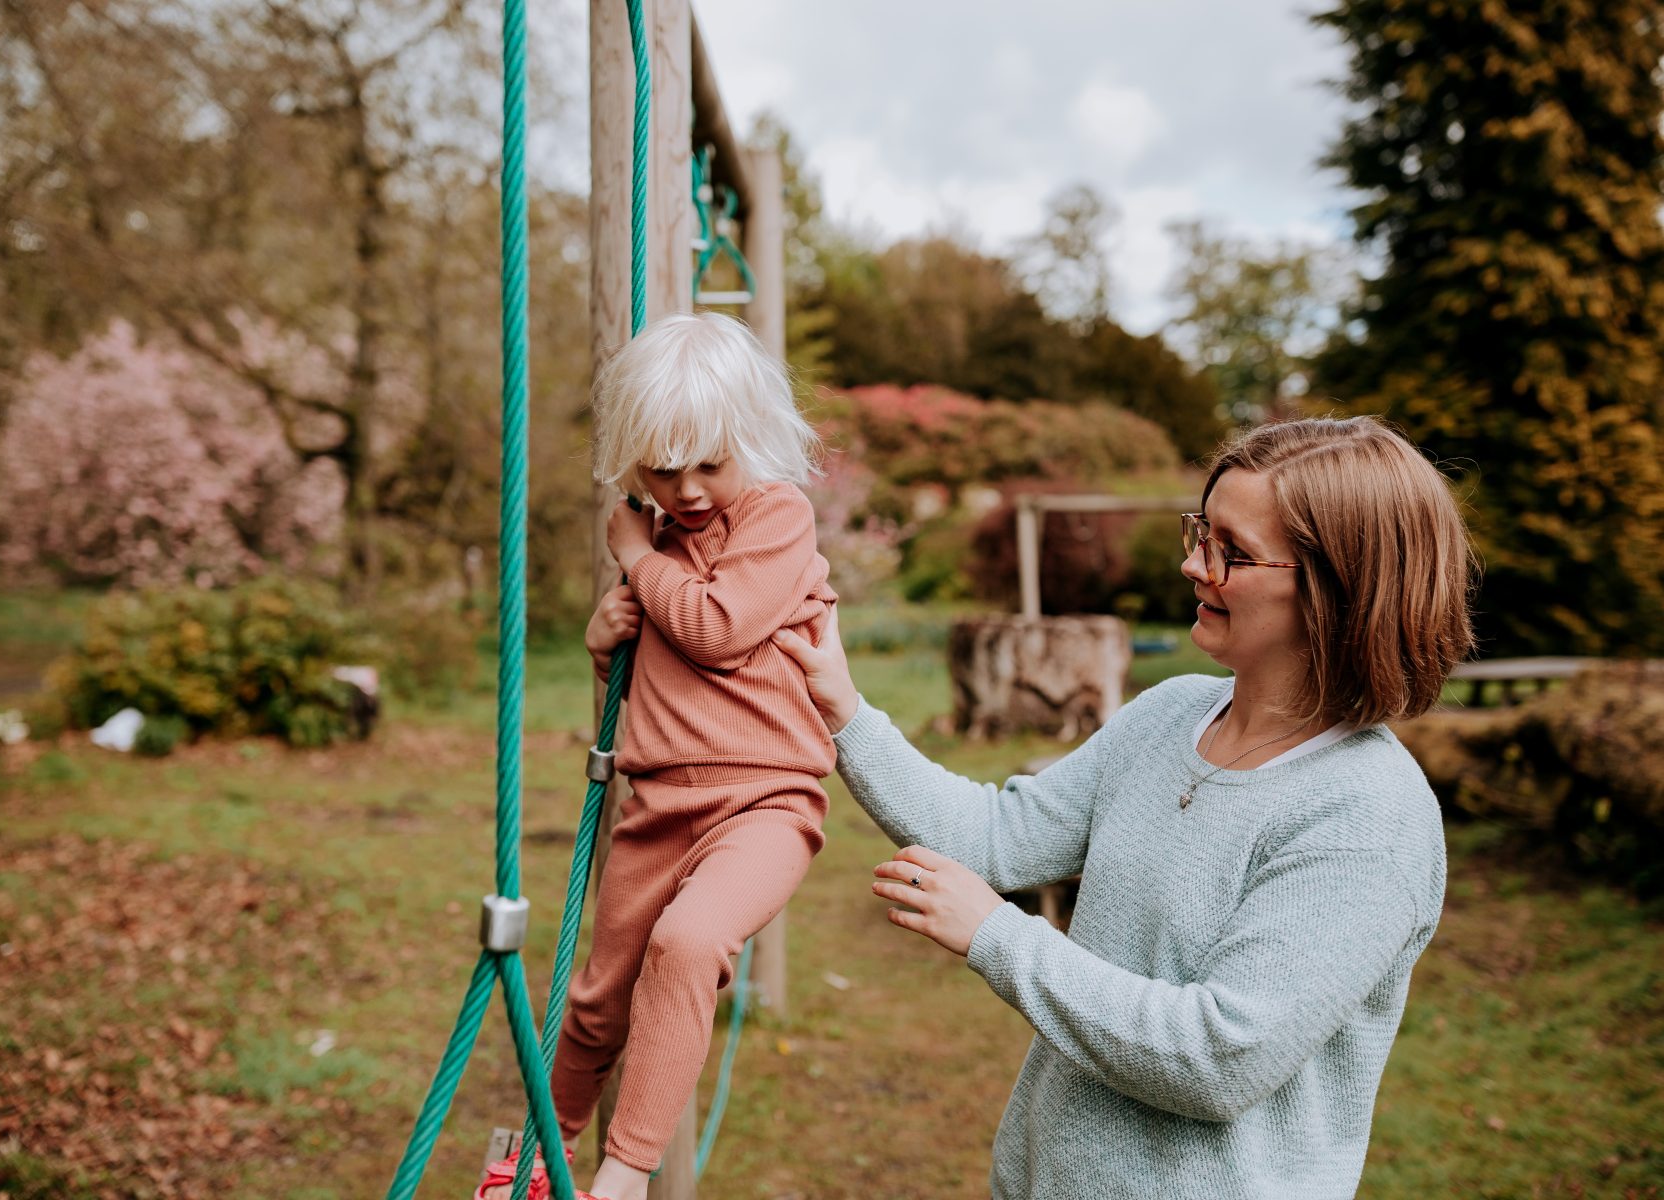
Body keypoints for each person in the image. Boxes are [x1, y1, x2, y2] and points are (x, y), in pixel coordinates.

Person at [772, 415, 1476, 1200]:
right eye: (1199, 533)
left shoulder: (1367, 816)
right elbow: (997, 837)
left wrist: (1001, 937)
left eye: (1230, 552)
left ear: (1339, 590)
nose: (1191, 564)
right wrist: (840, 704)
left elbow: (1221, 1057)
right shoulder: (1170, 713)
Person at [479, 312, 835, 1200]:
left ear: (749, 438)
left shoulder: (776, 517)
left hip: (765, 803)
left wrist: (634, 555)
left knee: (686, 944)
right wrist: (605, 650)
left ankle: (625, 1174)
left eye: (709, 463)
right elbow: (640, 700)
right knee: (598, 1004)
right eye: (661, 470)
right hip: (656, 808)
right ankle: (535, 1161)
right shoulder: (664, 551)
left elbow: (714, 631)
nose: (687, 490)